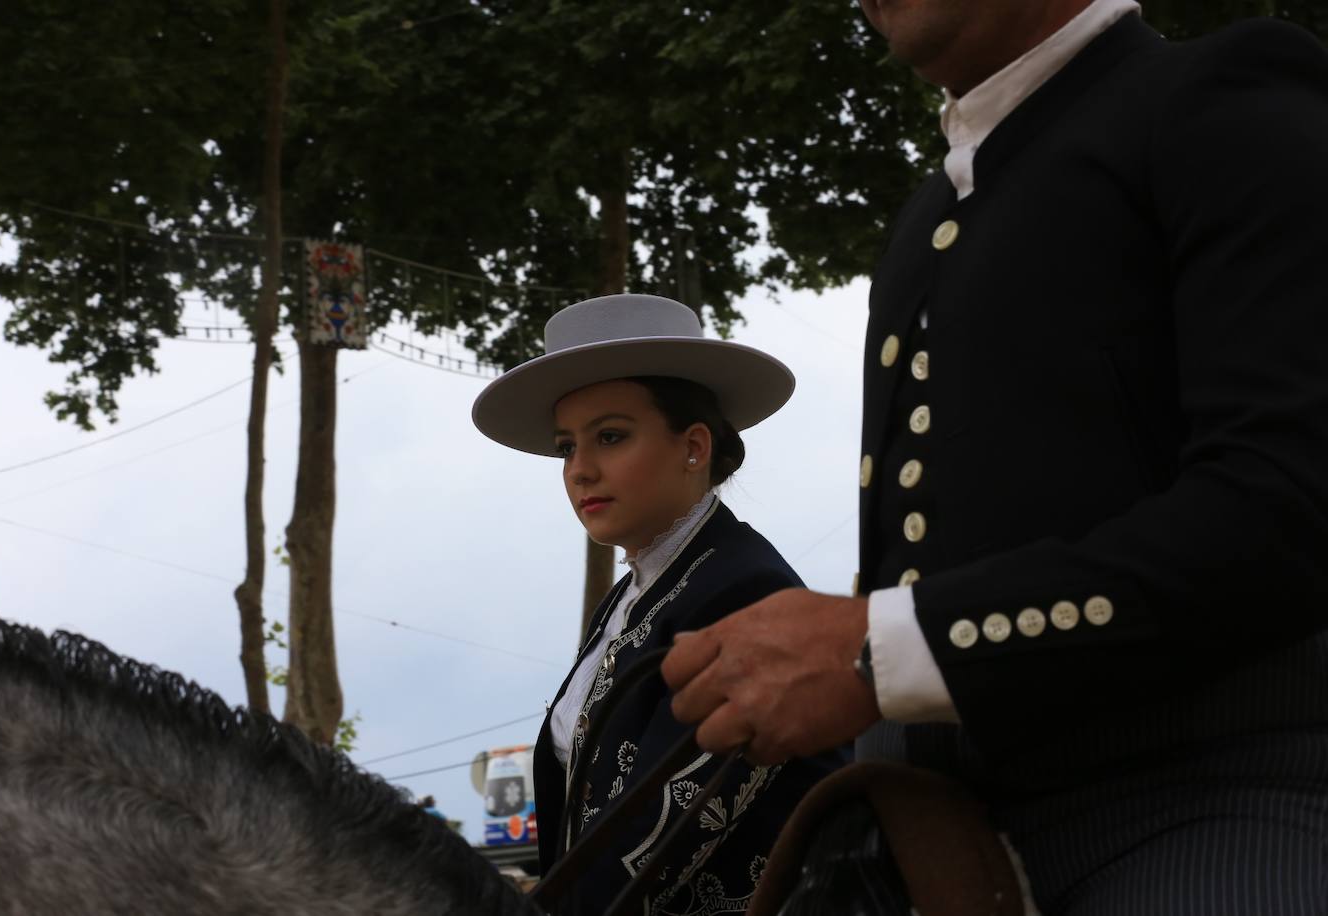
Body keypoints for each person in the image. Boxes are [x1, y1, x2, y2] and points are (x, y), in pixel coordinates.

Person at [661, 1, 1328, 912]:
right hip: (920, 819)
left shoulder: (1221, 91)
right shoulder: (928, 213)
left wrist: (877, 648)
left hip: (1209, 799)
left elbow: (1287, 506)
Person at [472, 293, 847, 914]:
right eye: (567, 446)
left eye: (610, 437)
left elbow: (654, 841)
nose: (580, 470)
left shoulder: (742, 588)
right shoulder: (631, 596)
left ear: (694, 446)